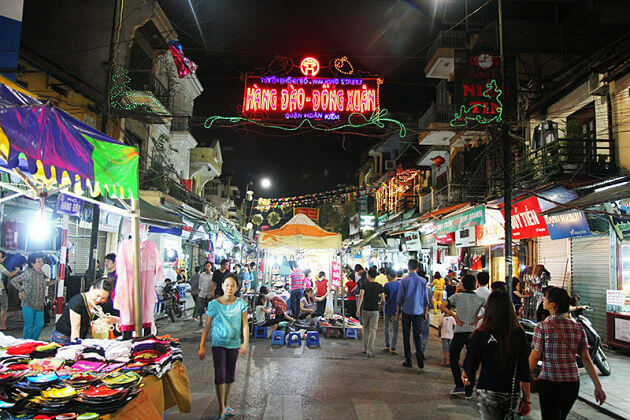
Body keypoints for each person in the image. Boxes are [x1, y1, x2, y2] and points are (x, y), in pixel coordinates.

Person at [529, 287, 606, 419]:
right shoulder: (578, 327)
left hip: (550, 382)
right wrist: (598, 386)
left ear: (553, 304)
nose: (543, 300)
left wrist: (523, 377)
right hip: (572, 384)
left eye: (546, 298)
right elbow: (586, 359)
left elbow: (535, 357)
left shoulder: (543, 327)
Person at [463, 291, 532, 419]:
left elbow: (471, 363)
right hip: (512, 392)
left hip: (488, 391)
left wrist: (466, 375)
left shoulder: (481, 334)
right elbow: (524, 369)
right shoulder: (518, 334)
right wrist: (526, 399)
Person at [199, 275, 249, 419]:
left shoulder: (241, 304)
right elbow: (207, 326)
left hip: (233, 344)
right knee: (219, 374)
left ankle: (226, 404)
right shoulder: (214, 304)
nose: (229, 288)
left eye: (232, 285)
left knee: (230, 375)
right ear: (222, 286)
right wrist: (201, 345)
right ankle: (221, 408)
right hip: (218, 343)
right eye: (227, 285)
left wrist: (245, 342)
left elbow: (245, 325)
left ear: (237, 288)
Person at [440, 274, 486, 398]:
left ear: (463, 285)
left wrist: (454, 316)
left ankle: (459, 385)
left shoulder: (457, 296)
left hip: (460, 331)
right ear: (475, 285)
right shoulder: (480, 299)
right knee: (473, 360)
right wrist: (478, 318)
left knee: (454, 358)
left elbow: (442, 306)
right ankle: (469, 390)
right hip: (473, 332)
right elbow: (490, 311)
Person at [11, 253, 60, 340]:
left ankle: (33, 342)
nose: (41, 263)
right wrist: (22, 289)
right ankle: (26, 344)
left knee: (39, 325)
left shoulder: (42, 273)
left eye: (42, 261)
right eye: (38, 262)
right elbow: (14, 281)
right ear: (32, 264)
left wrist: (56, 281)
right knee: (29, 326)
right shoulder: (28, 273)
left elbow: (46, 283)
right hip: (28, 303)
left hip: (40, 304)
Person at [51, 279, 117, 344]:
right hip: (63, 337)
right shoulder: (78, 301)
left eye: (103, 298)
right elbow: (76, 328)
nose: (99, 299)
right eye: (97, 296)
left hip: (81, 337)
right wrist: (75, 346)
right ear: (91, 288)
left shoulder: (100, 304)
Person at [396, 259, 430, 369]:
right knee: (417, 335)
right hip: (419, 312)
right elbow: (426, 299)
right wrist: (425, 312)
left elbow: (400, 298)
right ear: (417, 268)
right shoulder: (423, 281)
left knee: (406, 336)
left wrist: (397, 312)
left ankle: (408, 360)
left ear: (408, 267)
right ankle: (420, 357)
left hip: (406, 311)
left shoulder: (404, 281)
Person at [356, 266, 385, 358]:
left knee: (365, 329)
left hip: (365, 309)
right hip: (375, 310)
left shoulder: (364, 284)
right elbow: (383, 299)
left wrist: (358, 309)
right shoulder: (379, 286)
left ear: (368, 275)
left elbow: (361, 296)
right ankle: (370, 349)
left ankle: (364, 348)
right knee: (373, 330)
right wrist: (380, 302)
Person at [0, 251, 20, 331]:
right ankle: (2, 326)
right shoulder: (0, 266)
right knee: (4, 308)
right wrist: (17, 270)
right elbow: (9, 274)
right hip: (1, 291)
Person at [383, 268, 400, 354]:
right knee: (395, 328)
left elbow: (385, 296)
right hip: (396, 309)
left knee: (386, 327)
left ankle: (387, 345)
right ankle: (393, 347)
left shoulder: (387, 285)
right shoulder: (400, 285)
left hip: (387, 307)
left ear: (388, 276)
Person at [197, 262, 213, 327]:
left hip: (209, 294)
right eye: (206, 266)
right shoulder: (201, 275)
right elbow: (199, 284)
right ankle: (201, 321)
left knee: (209, 309)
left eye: (209, 266)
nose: (207, 267)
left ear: (211, 267)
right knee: (200, 308)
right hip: (202, 294)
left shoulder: (213, 275)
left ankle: (208, 322)